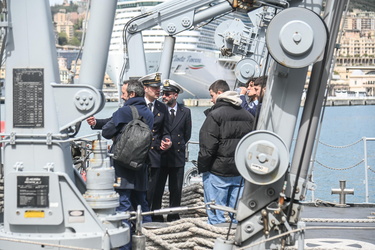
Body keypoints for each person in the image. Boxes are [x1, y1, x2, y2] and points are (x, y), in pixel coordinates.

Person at [87, 79, 154, 250]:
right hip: (140, 165)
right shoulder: (148, 112)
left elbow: (108, 131)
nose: (122, 96)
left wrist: (106, 129)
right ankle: (149, 242)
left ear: (131, 94)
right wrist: (97, 123)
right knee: (142, 205)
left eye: (124, 93)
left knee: (123, 205)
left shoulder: (124, 110)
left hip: (123, 167)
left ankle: (124, 245)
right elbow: (114, 121)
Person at [197, 80, 255, 225]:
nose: (211, 99)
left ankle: (215, 241)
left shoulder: (215, 115)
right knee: (237, 215)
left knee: (216, 215)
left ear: (220, 93)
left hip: (217, 171)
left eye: (212, 95)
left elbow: (208, 146)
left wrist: (203, 167)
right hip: (239, 171)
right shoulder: (248, 116)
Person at [152, 79, 192, 222]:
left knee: (176, 189)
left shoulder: (185, 111)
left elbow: (187, 134)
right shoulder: (158, 111)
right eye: (163, 94)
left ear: (175, 95)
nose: (164, 96)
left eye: (168, 94)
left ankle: (173, 215)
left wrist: (175, 144)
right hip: (160, 156)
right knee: (158, 188)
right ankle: (155, 215)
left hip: (177, 156)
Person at [139, 73, 172, 216]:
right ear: (145, 88)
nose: (158, 90)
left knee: (153, 189)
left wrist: (167, 141)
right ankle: (137, 216)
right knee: (139, 188)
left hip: (155, 155)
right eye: (154, 87)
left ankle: (149, 217)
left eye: (159, 87)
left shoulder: (162, 107)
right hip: (138, 155)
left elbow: (166, 131)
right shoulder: (137, 105)